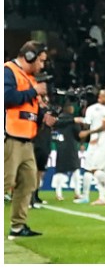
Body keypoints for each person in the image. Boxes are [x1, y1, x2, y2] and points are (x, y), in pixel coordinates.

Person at [5, 42, 57, 239]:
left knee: (27, 183)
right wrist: (35, 91)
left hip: (26, 138)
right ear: (29, 56)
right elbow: (6, 96)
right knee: (5, 181)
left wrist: (44, 116)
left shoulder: (28, 78)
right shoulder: (8, 71)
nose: (42, 66)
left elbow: (29, 107)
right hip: (9, 136)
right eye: (41, 60)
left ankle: (17, 227)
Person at [76, 89, 105, 205]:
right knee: (95, 170)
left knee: (95, 170)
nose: (99, 97)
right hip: (98, 142)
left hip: (102, 143)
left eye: (101, 95)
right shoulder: (96, 108)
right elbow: (87, 124)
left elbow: (90, 125)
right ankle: (97, 196)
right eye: (99, 95)